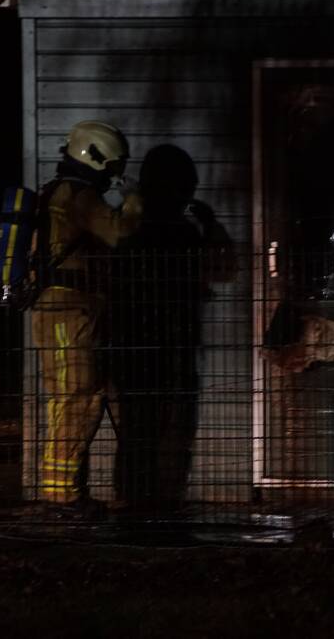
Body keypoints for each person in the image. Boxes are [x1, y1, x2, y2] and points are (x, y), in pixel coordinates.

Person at [108, 144, 235, 510]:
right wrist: (209, 224)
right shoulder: (183, 233)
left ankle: (133, 500)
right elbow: (223, 270)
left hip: (130, 344)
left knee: (136, 428)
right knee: (170, 428)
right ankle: (162, 502)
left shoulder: (125, 226)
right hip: (171, 344)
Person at [30, 120, 143, 517]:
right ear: (93, 156)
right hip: (68, 312)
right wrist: (133, 200)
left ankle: (64, 491)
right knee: (75, 398)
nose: (113, 175)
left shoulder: (58, 194)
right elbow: (121, 233)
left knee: (80, 398)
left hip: (69, 311)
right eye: (112, 167)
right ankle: (60, 496)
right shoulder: (79, 197)